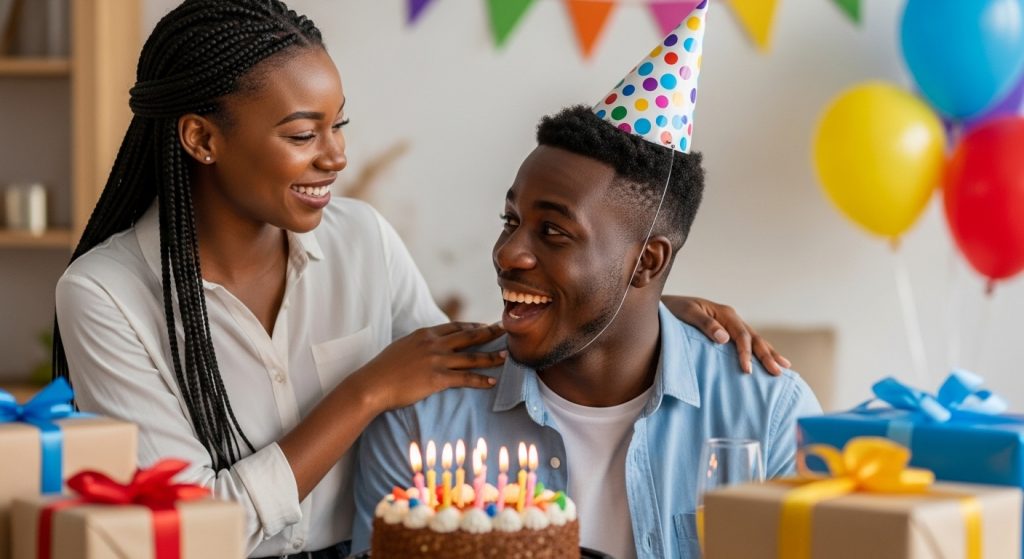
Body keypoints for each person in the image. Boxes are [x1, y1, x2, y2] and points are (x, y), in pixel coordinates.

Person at [54, 1, 791, 558]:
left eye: (340, 126)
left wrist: (641, 311)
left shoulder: (362, 241)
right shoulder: (107, 295)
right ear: (202, 138)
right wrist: (366, 391)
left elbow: (471, 351)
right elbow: (185, 531)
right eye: (303, 134)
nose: (336, 157)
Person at [351, 5, 822, 557]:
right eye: (511, 221)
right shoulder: (423, 416)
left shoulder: (767, 413)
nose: (508, 253)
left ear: (646, 263)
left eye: (552, 231)